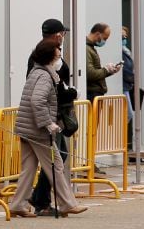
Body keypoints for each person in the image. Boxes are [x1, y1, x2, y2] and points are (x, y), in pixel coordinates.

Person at [8, 39, 87, 218]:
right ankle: (68, 203)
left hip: (26, 127)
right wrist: (48, 123)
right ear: (50, 55)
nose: (60, 52)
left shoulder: (37, 72)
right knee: (56, 164)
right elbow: (37, 100)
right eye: (57, 50)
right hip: (38, 130)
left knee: (28, 168)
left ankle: (18, 204)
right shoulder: (45, 75)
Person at [27, 19, 78, 216]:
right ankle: (45, 200)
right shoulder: (48, 60)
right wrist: (71, 93)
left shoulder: (39, 55)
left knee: (35, 163)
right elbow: (48, 91)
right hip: (47, 117)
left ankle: (30, 200)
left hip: (45, 116)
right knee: (56, 158)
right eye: (62, 34)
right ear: (58, 35)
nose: (63, 37)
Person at [85, 23, 121, 101]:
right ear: (98, 34)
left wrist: (110, 71)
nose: (104, 41)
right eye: (105, 38)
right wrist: (106, 70)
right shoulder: (87, 49)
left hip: (95, 93)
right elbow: (90, 73)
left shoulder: (90, 48)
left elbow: (95, 71)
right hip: (92, 94)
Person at [121, 26, 135, 151]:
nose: (124, 39)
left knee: (128, 114)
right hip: (123, 86)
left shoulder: (126, 51)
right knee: (128, 114)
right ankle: (122, 144)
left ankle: (123, 144)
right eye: (121, 37)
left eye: (125, 37)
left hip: (127, 85)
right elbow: (126, 70)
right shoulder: (121, 52)